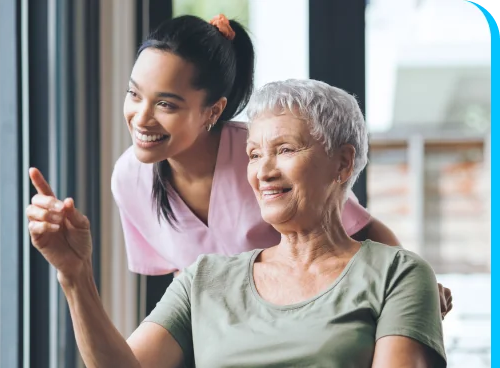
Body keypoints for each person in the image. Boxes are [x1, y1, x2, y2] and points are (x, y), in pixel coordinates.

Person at [26, 78, 447, 368]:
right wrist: (75, 276)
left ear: (342, 163)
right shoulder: (205, 278)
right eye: (253, 153)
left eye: (284, 149)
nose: (263, 170)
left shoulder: (399, 271)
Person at [110, 13, 453, 315]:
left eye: (166, 105)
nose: (141, 118)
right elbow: (178, 277)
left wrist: (418, 284)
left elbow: (362, 228)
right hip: (215, 341)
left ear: (213, 111)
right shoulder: (129, 179)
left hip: (301, 322)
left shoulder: (264, 156)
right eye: (134, 94)